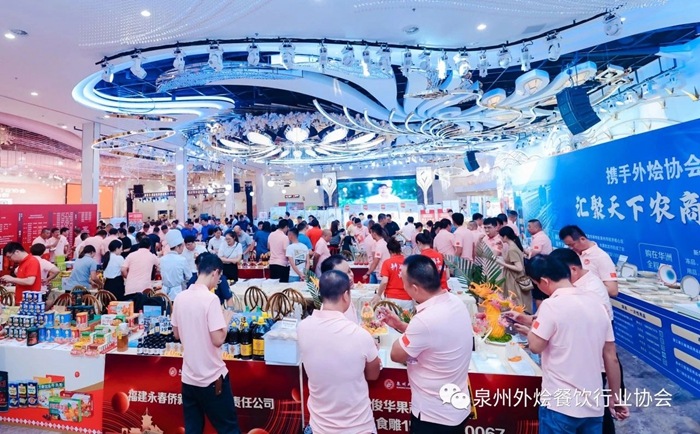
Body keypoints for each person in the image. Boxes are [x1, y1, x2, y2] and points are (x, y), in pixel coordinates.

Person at [506, 255, 628, 433]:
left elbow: (535, 346)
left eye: (536, 284)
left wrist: (531, 331)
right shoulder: (598, 305)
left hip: (560, 404)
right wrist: (615, 397)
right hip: (593, 406)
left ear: (544, 281)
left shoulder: (551, 305)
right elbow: (611, 357)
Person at [384, 255, 473, 433]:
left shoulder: (425, 320)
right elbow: (436, 337)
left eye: (403, 282)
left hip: (433, 416)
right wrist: (401, 326)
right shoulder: (455, 302)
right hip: (456, 409)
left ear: (415, 288)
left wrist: (406, 332)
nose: (403, 286)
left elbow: (397, 355)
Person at [548, 248, 623, 434]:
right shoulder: (580, 286)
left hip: (591, 362)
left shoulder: (590, 292)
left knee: (597, 410)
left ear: (573, 270)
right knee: (595, 409)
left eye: (558, 275)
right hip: (587, 361)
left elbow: (608, 351)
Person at [298, 270, 380, 434]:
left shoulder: (302, 327)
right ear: (345, 296)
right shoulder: (360, 335)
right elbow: (373, 375)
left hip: (319, 427)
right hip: (358, 428)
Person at [172, 254, 240, 434]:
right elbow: (218, 340)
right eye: (219, 277)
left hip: (189, 378)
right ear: (215, 272)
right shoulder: (211, 299)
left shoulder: (180, 297)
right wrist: (225, 322)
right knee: (228, 428)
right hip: (212, 378)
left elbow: (176, 334)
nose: (218, 282)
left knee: (193, 428)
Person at [559, 225, 619, 298]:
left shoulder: (601, 257)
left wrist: (585, 287)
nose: (571, 248)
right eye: (568, 245)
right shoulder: (574, 254)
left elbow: (613, 291)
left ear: (582, 239)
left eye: (572, 245)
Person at [496, 226, 531, 309]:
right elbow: (507, 260)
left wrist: (501, 263)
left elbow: (519, 268)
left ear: (505, 237)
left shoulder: (512, 249)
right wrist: (501, 248)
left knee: (515, 300)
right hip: (512, 277)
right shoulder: (514, 245)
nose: (499, 238)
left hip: (514, 278)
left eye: (500, 236)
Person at [373, 239, 413, 311]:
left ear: (390, 251)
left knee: (391, 318)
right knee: (407, 318)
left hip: (392, 298)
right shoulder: (408, 262)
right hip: (407, 298)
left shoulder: (387, 263)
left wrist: (378, 295)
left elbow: (384, 281)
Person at [320, 255, 360, 323]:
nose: (350, 277)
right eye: (343, 275)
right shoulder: (331, 309)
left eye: (349, 271)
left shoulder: (345, 295)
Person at [160, 230, 192, 299]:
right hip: (178, 292)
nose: (183, 248)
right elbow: (189, 277)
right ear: (177, 247)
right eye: (182, 246)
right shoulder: (182, 259)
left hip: (164, 293)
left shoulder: (162, 259)